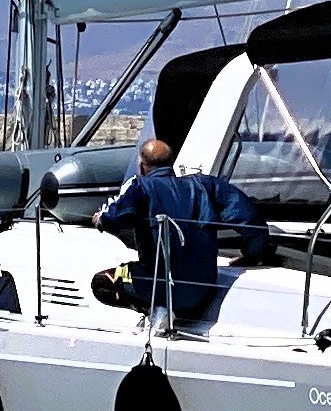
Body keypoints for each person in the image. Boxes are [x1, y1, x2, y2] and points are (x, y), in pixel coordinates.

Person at [96, 135, 269, 323]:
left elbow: (112, 219)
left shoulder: (141, 187)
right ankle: (169, 310)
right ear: (172, 163)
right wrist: (252, 254)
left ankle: (154, 309)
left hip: (163, 289)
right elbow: (250, 217)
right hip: (204, 289)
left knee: (101, 282)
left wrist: (100, 220)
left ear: (142, 166)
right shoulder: (205, 185)